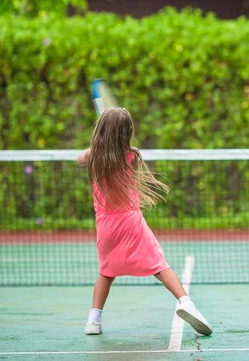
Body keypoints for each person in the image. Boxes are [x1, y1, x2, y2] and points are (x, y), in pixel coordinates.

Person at [77, 107, 212, 336]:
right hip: (130, 220)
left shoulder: (92, 157)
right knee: (159, 265)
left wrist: (97, 146)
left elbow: (80, 158)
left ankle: (94, 320)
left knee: (106, 273)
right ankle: (185, 302)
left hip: (105, 226)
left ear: (101, 130)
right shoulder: (133, 155)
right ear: (126, 132)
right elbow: (128, 164)